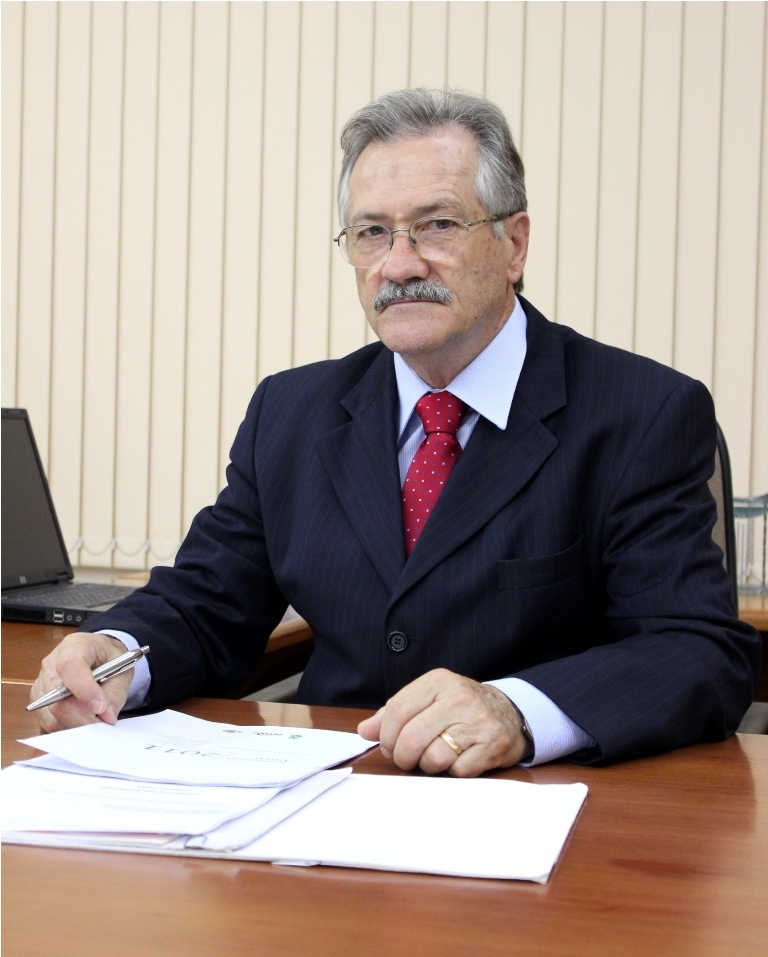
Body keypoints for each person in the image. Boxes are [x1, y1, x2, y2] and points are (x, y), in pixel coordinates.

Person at [31, 89, 759, 776]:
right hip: (324, 792)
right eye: (372, 233)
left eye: (438, 225)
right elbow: (209, 601)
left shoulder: (641, 412)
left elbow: (694, 651)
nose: (400, 264)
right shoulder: (292, 410)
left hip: (539, 807)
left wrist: (517, 711)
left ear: (514, 244)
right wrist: (115, 651)